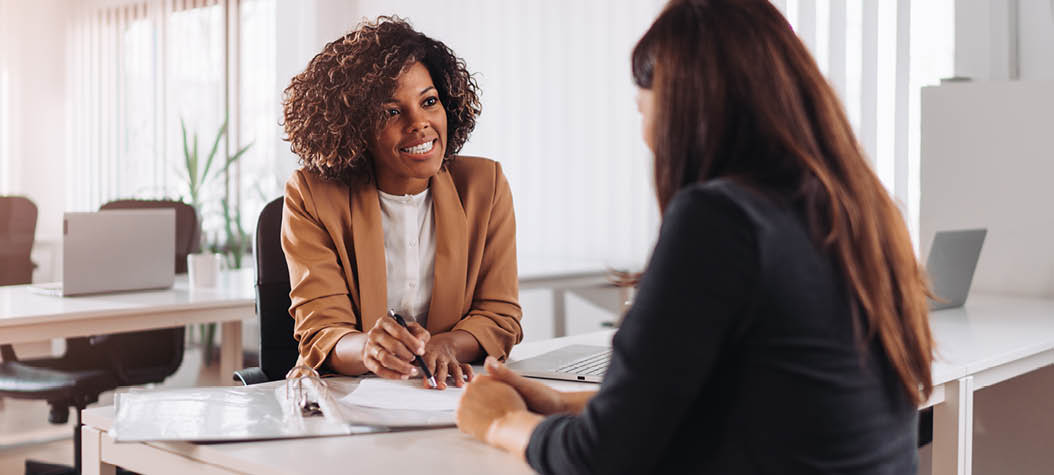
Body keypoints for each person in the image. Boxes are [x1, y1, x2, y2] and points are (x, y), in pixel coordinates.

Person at [456, 0, 934, 472]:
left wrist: (501, 421)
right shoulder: (860, 211)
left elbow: (602, 459)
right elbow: (754, 405)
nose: (645, 135)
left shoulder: (721, 220)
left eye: (642, 110)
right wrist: (564, 406)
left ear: (683, 110)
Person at [281, 17, 522, 390]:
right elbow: (322, 330)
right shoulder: (311, 195)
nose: (420, 123)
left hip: (447, 395)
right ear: (355, 126)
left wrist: (447, 345)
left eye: (429, 102)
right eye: (391, 111)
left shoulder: (484, 186)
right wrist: (368, 349)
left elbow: (500, 315)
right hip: (346, 400)